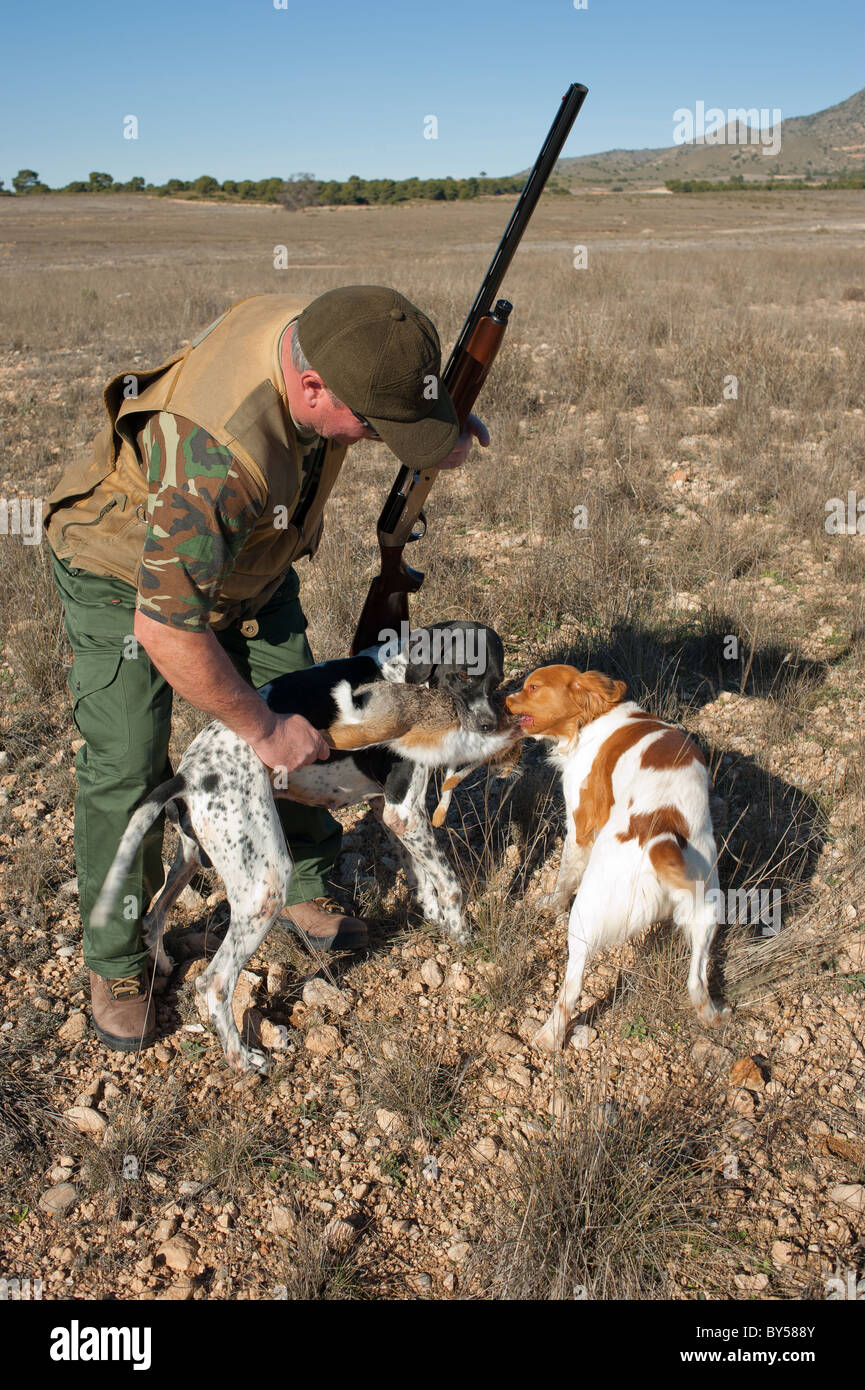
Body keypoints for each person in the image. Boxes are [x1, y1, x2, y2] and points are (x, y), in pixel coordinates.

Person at [44, 285, 488, 1052]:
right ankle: (117, 962)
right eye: (375, 428)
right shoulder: (215, 456)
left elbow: (378, 381)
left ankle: (300, 885)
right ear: (310, 388)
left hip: (253, 562)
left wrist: (428, 428)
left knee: (308, 699)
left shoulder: (337, 331)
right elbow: (168, 630)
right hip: (127, 574)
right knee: (130, 760)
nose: (377, 441)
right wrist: (259, 726)